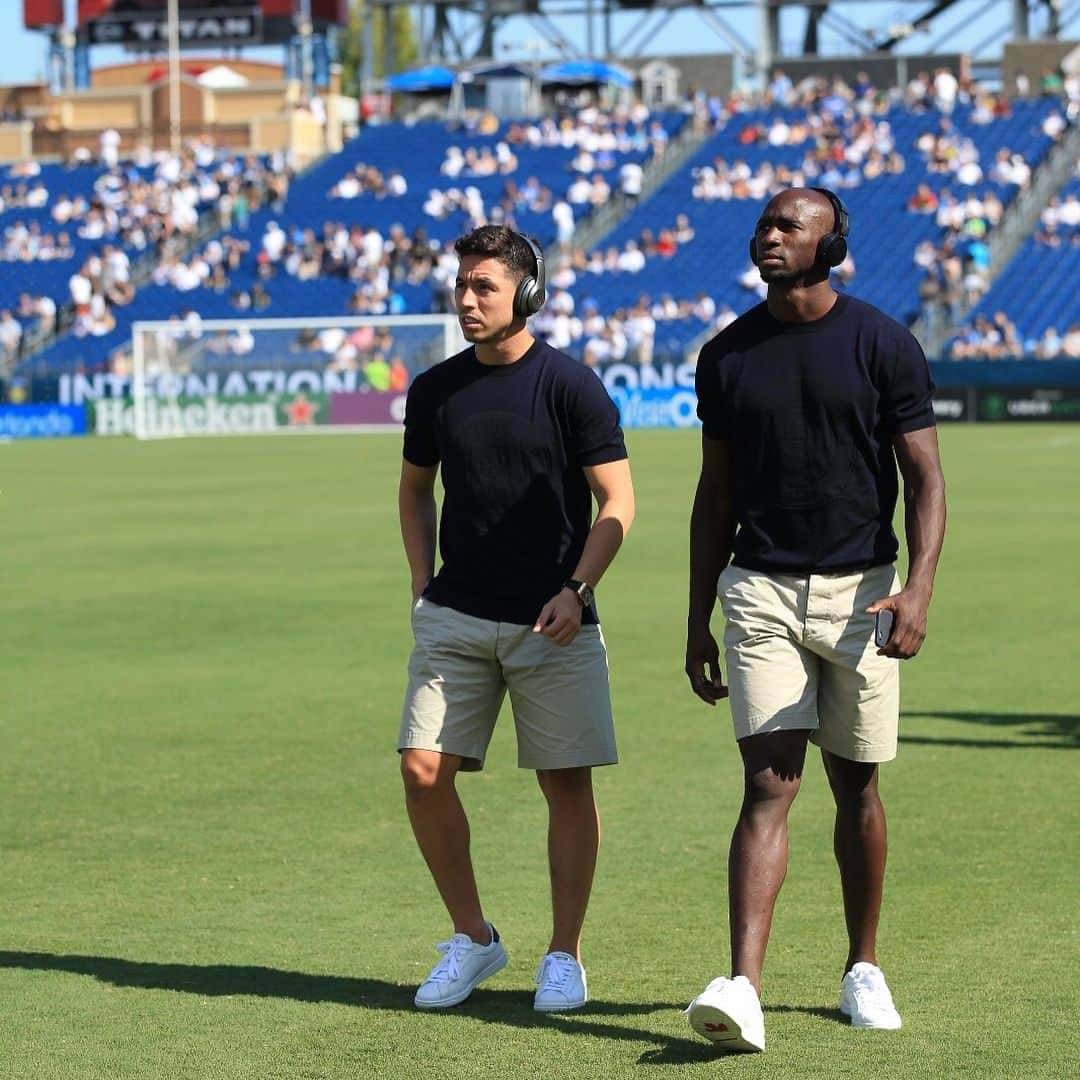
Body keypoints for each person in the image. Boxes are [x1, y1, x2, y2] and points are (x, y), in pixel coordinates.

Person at [683, 188, 946, 1052]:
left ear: (833, 247)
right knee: (768, 785)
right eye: (765, 225)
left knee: (857, 784)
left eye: (791, 226)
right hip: (757, 591)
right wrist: (698, 615)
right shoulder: (725, 356)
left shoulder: (882, 343)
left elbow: (925, 479)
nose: (771, 236)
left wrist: (919, 587)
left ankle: (861, 967)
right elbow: (713, 493)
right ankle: (743, 988)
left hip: (862, 592)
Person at [397, 225, 635, 1013]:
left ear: (527, 294)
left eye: (484, 287)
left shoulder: (572, 387)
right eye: (462, 285)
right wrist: (421, 581)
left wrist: (577, 588)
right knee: (421, 772)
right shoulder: (434, 390)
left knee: (565, 786)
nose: (467, 299)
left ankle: (564, 955)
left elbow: (619, 502)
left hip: (553, 621)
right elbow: (413, 490)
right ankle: (474, 939)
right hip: (455, 618)